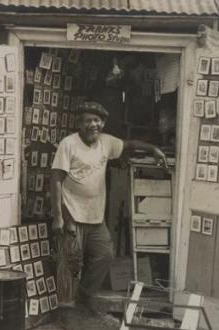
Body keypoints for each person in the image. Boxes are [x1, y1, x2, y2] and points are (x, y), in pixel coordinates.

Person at [50, 101, 167, 313]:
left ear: (102, 124)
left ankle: (85, 298)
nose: (92, 124)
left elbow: (130, 145)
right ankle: (66, 311)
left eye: (97, 120)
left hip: (95, 217)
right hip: (72, 215)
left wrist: (154, 149)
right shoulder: (68, 144)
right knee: (70, 263)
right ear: (79, 123)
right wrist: (58, 216)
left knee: (105, 255)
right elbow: (56, 180)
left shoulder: (106, 142)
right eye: (87, 120)